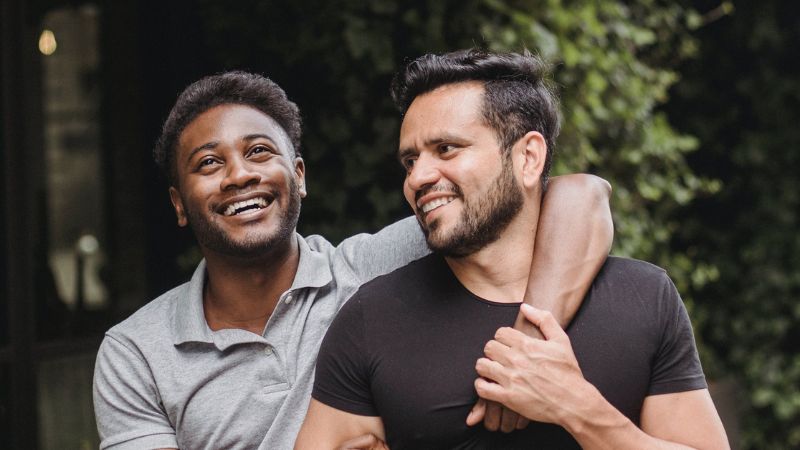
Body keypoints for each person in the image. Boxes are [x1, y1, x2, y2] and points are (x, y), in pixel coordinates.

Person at [92, 71, 613, 450]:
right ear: (179, 204)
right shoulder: (136, 353)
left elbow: (576, 196)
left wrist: (525, 349)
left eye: (258, 152)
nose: (238, 176)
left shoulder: (374, 267)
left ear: (299, 176)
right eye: (209, 163)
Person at [295, 49, 730, 449]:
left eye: (446, 149)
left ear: (528, 157)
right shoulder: (372, 319)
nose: (418, 177)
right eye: (410, 161)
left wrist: (578, 407)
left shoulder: (642, 296)